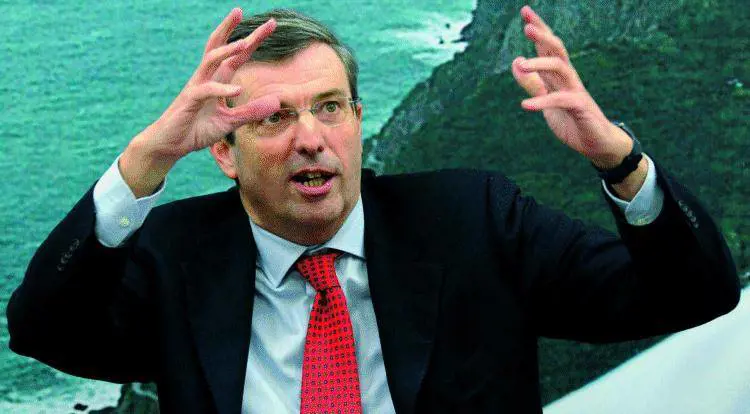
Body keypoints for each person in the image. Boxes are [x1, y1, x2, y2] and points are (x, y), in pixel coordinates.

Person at [6, 5, 740, 414]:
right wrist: (146, 161)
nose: (311, 139)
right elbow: (43, 328)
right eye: (273, 118)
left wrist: (618, 157)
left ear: (359, 121)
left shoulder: (474, 222)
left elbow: (695, 293)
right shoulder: (178, 254)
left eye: (330, 108)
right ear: (224, 152)